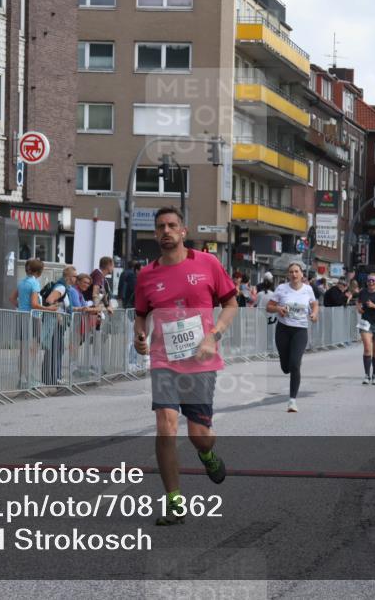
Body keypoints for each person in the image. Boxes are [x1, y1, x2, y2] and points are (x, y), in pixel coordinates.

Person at [133, 207, 238, 525]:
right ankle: (174, 501)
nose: (166, 230)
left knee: (199, 436)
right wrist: (139, 336)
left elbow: (231, 304)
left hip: (201, 360)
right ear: (155, 233)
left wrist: (213, 336)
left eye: (172, 225)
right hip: (164, 360)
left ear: (183, 230)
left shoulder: (207, 263)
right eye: (161, 226)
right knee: (165, 423)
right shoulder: (146, 275)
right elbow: (141, 313)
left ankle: (207, 454)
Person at [266, 262, 318, 413]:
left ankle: (292, 401)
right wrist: (278, 308)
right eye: (291, 272)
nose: (294, 274)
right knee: (285, 367)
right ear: (288, 275)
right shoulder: (282, 289)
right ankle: (286, 365)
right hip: (283, 329)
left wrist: (314, 314)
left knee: (295, 364)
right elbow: (269, 306)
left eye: (297, 271)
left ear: (302, 274)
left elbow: (314, 305)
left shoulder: (308, 290)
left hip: (300, 330)